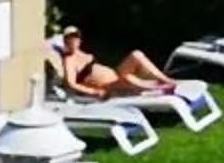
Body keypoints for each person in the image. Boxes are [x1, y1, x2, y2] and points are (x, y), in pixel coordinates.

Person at [53, 26, 203, 106]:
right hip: (106, 88)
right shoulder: (69, 61)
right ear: (65, 41)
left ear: (79, 39)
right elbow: (71, 84)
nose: (73, 42)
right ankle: (159, 89)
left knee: (136, 55)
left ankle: (166, 80)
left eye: (75, 38)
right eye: (69, 39)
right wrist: (93, 92)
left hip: (115, 78)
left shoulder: (83, 53)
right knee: (129, 79)